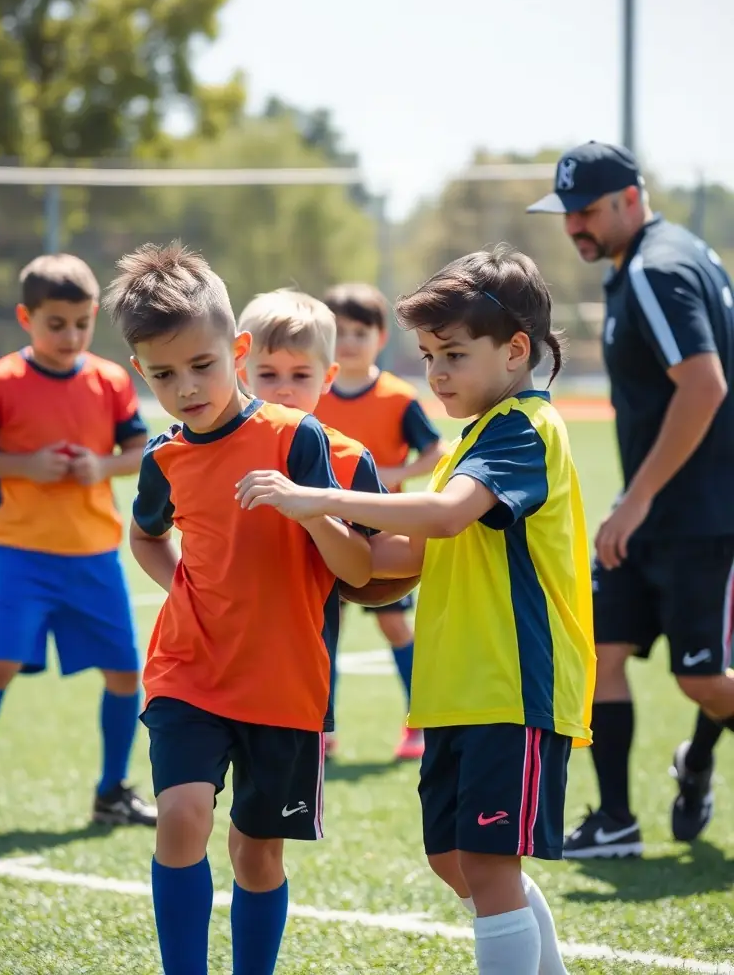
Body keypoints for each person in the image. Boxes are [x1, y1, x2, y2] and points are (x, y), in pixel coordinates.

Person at [236, 247, 596, 975]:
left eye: (453, 355)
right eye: (428, 354)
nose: (435, 374)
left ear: (516, 350)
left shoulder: (524, 427)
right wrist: (323, 548)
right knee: (452, 861)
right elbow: (406, 556)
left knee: (490, 867)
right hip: (457, 690)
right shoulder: (471, 436)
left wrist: (322, 498)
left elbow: (443, 516)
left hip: (513, 687)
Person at [104, 243, 371, 975]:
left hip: (284, 683)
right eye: (163, 374)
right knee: (183, 816)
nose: (186, 387)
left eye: (202, 365)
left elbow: (358, 569)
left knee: (257, 853)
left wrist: (310, 510)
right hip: (189, 670)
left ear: (238, 349)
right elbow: (146, 535)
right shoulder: (164, 458)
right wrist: (185, 588)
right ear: (141, 372)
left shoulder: (299, 439)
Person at [528, 140, 734, 855]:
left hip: (702, 516)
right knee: (602, 650)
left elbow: (705, 385)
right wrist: (637, 500)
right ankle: (615, 820)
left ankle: (699, 758)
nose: (573, 227)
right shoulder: (660, 258)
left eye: (585, 211)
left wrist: (639, 497)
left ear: (631, 199)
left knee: (702, 679)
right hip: (653, 510)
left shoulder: (655, 267)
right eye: (566, 213)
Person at [0, 253, 155, 840]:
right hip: (20, 552)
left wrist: (101, 463)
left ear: (93, 316)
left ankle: (112, 792)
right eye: (55, 324)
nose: (70, 336)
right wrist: (24, 465)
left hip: (95, 555)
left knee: (127, 675)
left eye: (81, 323)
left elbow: (138, 452)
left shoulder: (112, 380)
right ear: (27, 317)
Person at [237, 288, 388, 756]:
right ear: (241, 370)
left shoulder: (349, 459)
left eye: (301, 374)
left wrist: (315, 512)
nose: (284, 388)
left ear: (329, 377)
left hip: (300, 664)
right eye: (268, 374)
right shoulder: (209, 446)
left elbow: (367, 566)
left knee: (265, 823)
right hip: (217, 656)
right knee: (192, 801)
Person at [315, 282, 445, 760]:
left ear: (381, 336)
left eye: (360, 330)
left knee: (395, 627)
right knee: (324, 631)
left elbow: (436, 450)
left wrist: (397, 472)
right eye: (339, 331)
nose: (349, 341)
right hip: (325, 532)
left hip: (384, 537)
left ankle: (419, 722)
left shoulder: (397, 396)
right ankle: (321, 728)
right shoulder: (316, 392)